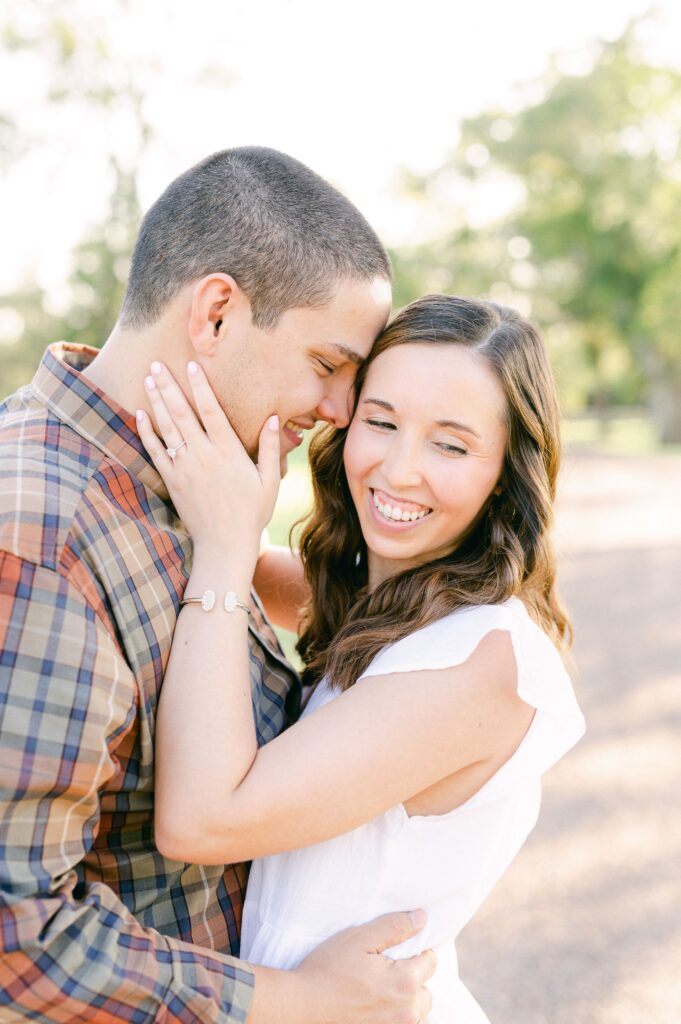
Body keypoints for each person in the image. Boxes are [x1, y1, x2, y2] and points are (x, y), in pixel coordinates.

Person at [0, 148, 437, 1023]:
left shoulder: (181, 493)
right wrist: (297, 1000)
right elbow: (20, 935)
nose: (343, 410)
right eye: (328, 363)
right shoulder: (41, 537)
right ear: (216, 314)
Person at [136, 294, 586, 1024]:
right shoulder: (388, 605)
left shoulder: (479, 663)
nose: (399, 471)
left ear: (505, 472)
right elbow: (278, 579)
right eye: (380, 422)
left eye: (449, 444)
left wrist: (222, 549)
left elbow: (200, 823)